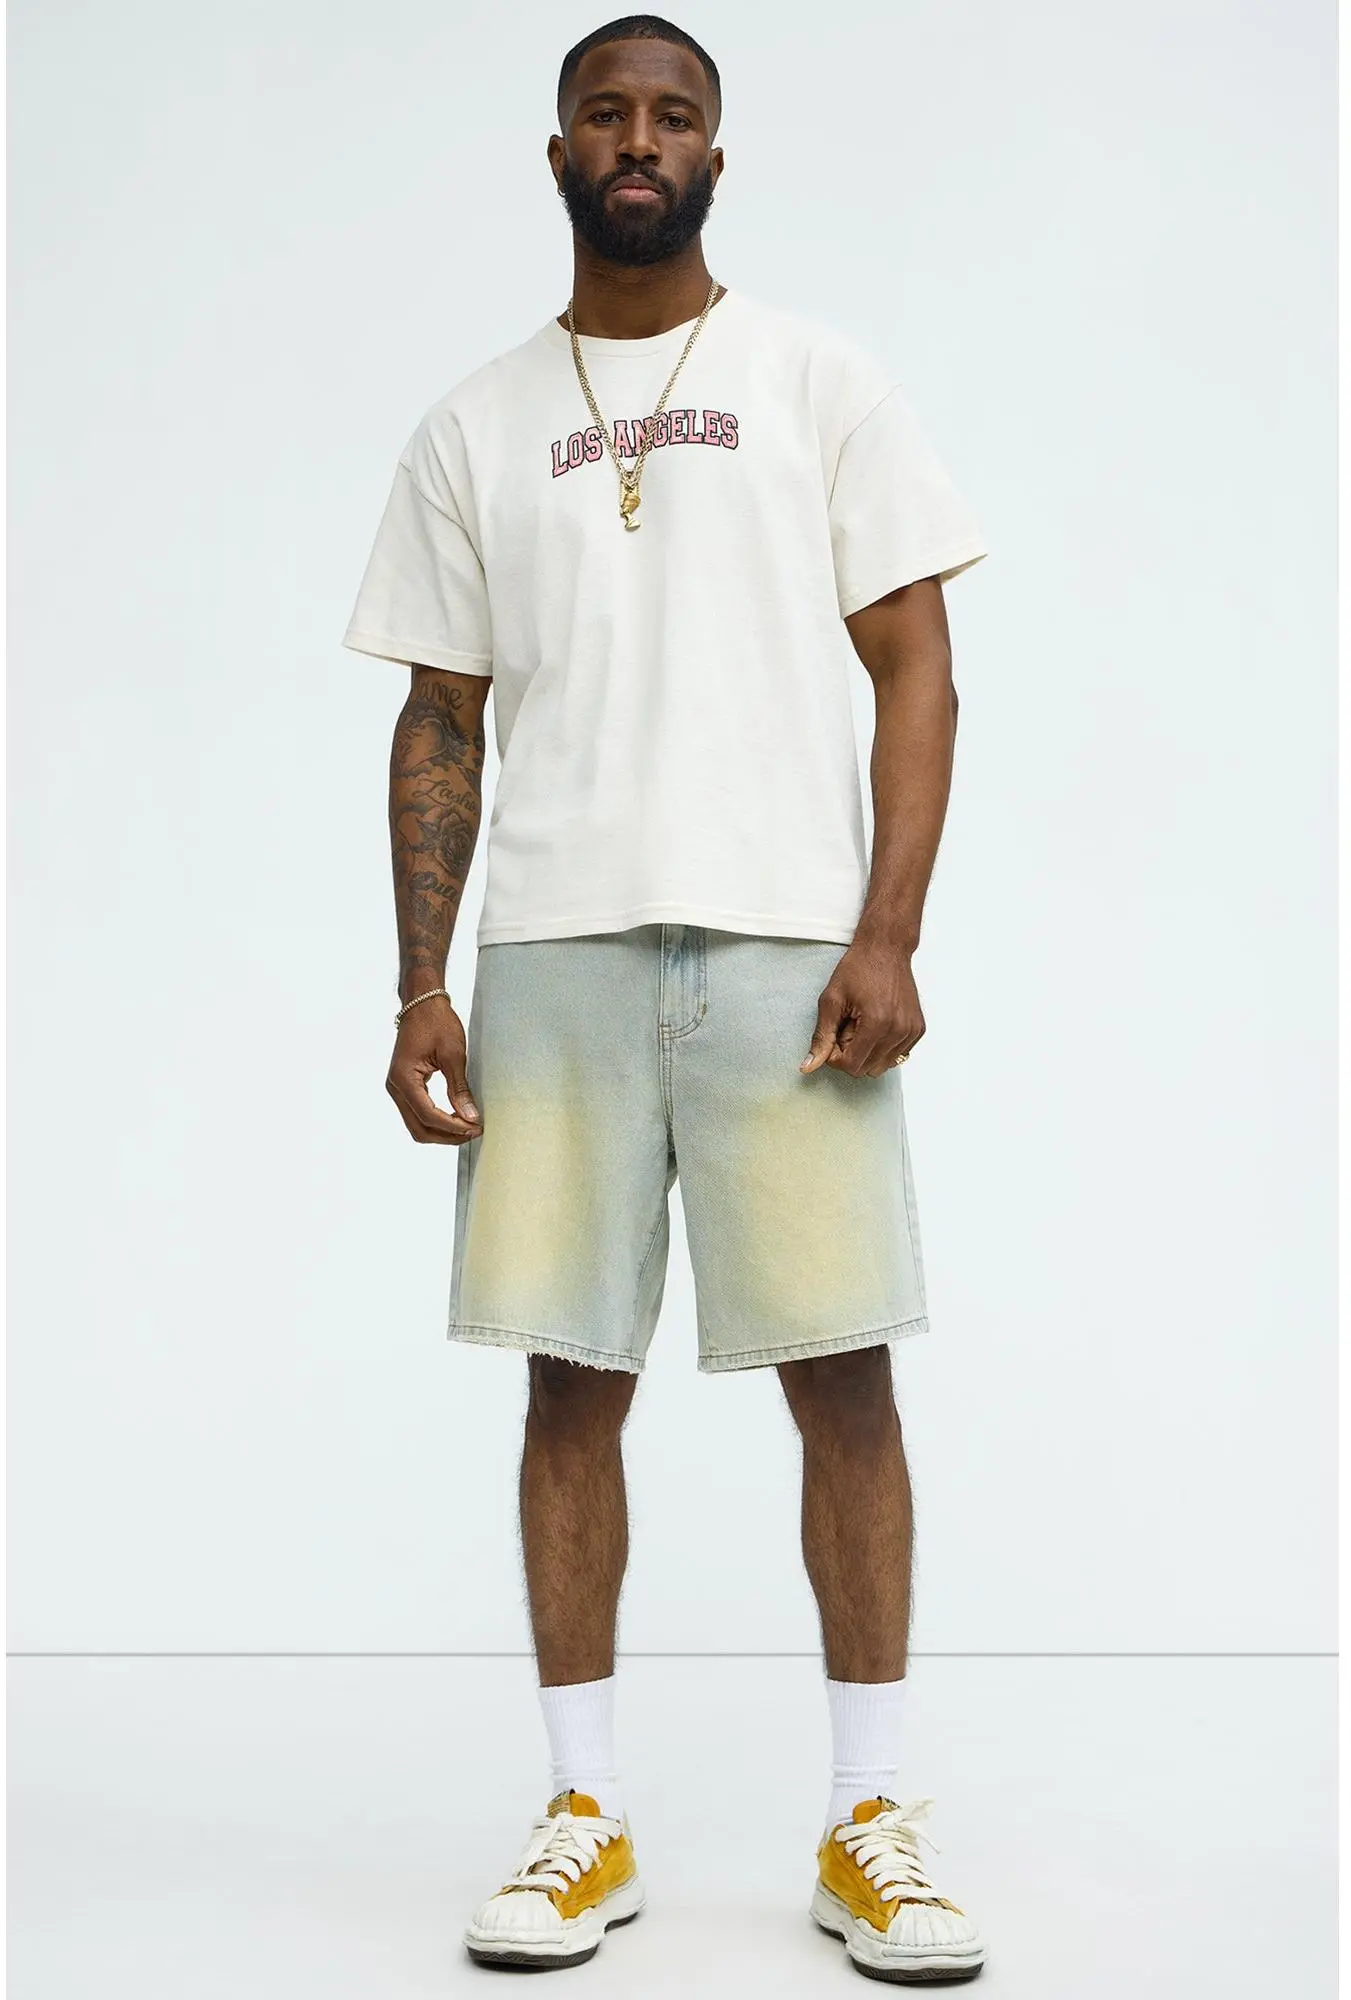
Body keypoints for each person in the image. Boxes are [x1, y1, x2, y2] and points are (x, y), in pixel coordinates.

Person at [346, 14, 988, 1983]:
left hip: (790, 946)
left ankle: (872, 1821)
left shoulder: (816, 381)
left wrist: (888, 932)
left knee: (843, 1374)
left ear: (718, 154)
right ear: (557, 155)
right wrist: (420, 982)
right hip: (555, 948)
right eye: (606, 115)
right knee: (568, 1377)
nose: (640, 140)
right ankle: (584, 1816)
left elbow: (917, 668)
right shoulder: (472, 424)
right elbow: (439, 715)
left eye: (675, 115)